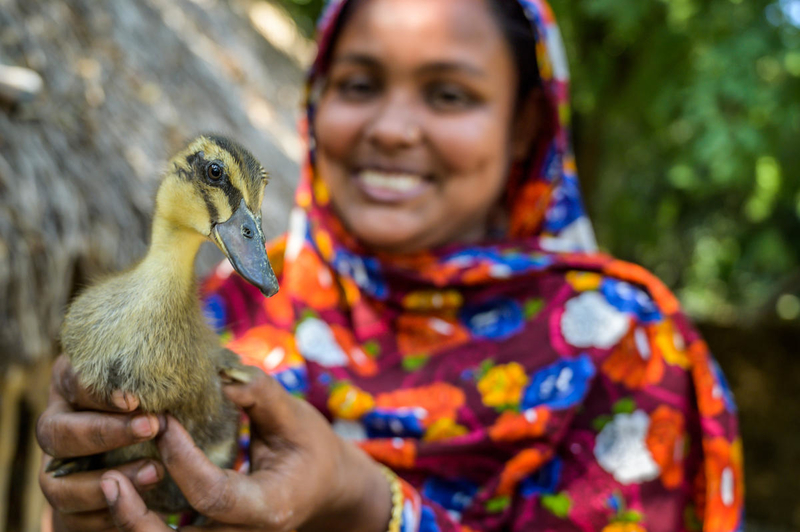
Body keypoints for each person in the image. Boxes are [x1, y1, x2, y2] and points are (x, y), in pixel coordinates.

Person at [37, 0, 744, 530]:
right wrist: (101, 496)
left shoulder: (620, 346)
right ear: (317, 99)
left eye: (449, 94)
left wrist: (366, 499)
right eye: (359, 85)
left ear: (525, 123)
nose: (392, 129)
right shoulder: (242, 304)